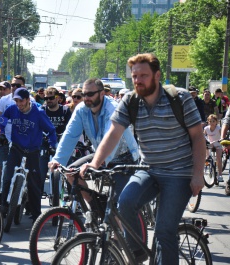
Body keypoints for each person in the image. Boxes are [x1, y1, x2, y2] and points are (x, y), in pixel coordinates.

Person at [80, 53, 205, 264]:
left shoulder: (180, 98)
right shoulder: (130, 101)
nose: (137, 80)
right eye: (134, 76)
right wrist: (95, 162)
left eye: (143, 75)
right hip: (148, 169)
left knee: (164, 231)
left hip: (179, 173)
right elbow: (113, 133)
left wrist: (198, 174)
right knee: (125, 203)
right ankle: (136, 254)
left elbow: (198, 137)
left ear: (157, 75)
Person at [49, 78, 139, 224]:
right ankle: (95, 205)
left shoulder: (113, 109)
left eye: (90, 94)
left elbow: (112, 138)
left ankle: (117, 241)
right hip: (100, 155)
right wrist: (57, 160)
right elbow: (70, 135)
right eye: (84, 94)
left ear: (102, 93)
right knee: (70, 172)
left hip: (125, 158)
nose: (86, 98)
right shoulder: (81, 109)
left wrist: (97, 163)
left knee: (116, 208)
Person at [0, 88, 57, 223]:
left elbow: (51, 130)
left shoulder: (39, 113)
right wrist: (0, 132)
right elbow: (1, 119)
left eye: (21, 101)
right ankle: (3, 206)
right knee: (7, 177)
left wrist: (53, 145)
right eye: (16, 101)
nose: (19, 104)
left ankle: (37, 215)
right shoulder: (12, 109)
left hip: (33, 151)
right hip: (16, 148)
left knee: (34, 184)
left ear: (28, 100)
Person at [39, 86, 72, 191]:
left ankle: (72, 196)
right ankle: (37, 194)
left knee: (69, 167)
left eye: (51, 98)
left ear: (58, 98)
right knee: (40, 169)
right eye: (46, 98)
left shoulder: (65, 110)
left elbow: (70, 127)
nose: (48, 100)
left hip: (61, 142)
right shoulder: (42, 110)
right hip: (45, 142)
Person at [204, 114, 223, 182]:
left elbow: (222, 138)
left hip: (218, 144)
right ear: (208, 122)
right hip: (210, 145)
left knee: (218, 158)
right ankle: (207, 162)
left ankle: (220, 175)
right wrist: (208, 141)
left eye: (213, 121)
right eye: (210, 121)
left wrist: (216, 141)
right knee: (206, 151)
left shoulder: (219, 129)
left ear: (216, 122)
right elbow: (204, 136)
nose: (211, 123)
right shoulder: (206, 129)